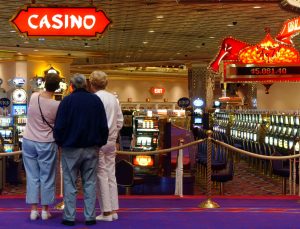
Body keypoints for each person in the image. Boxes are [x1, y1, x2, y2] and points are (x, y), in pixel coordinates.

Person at [54, 73, 108, 226]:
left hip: (70, 148)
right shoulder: (95, 100)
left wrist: (60, 142)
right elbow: (103, 126)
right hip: (91, 148)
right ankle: (90, 217)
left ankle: (69, 217)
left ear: (71, 85)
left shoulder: (66, 101)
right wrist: (100, 143)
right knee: (89, 183)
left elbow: (59, 126)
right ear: (86, 84)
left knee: (69, 183)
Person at [22, 73, 61, 220]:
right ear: (57, 88)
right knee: (47, 176)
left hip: (28, 140)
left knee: (32, 176)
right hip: (46, 142)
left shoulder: (34, 97)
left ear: (44, 84)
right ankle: (45, 210)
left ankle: (33, 210)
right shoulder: (57, 105)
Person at [89, 70, 124, 221]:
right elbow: (120, 121)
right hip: (111, 141)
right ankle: (114, 210)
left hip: (98, 141)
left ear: (91, 83)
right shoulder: (113, 98)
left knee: (101, 175)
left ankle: (106, 212)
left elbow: (91, 123)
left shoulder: (93, 99)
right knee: (111, 174)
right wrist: (113, 134)